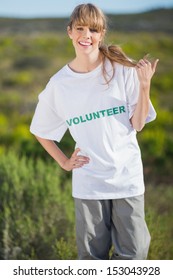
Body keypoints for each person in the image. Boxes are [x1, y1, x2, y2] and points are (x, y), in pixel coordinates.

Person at [30, 3, 159, 260]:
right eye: (79, 28)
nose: (85, 35)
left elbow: (138, 124)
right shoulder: (59, 84)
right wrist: (65, 162)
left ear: (101, 34)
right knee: (91, 262)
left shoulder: (123, 69)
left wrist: (144, 86)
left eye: (93, 29)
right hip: (89, 184)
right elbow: (41, 130)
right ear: (69, 32)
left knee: (133, 257)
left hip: (126, 179)